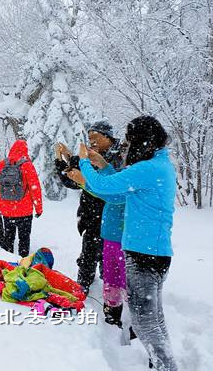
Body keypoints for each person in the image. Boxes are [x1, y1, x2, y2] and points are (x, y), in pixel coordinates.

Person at [66, 116, 178, 371]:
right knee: (154, 319)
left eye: (130, 142)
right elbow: (116, 192)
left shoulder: (148, 168)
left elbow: (102, 187)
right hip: (155, 253)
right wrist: (104, 165)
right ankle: (163, 363)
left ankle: (166, 366)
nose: (127, 147)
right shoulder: (160, 164)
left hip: (144, 255)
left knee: (144, 322)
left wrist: (84, 161)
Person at [54, 120, 120, 296]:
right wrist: (62, 159)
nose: (92, 142)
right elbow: (70, 179)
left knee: (108, 256)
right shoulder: (92, 156)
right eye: (89, 138)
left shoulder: (120, 157)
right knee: (89, 252)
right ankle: (83, 285)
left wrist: (83, 178)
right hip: (91, 215)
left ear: (108, 137)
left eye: (95, 137)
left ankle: (109, 289)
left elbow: (107, 186)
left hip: (112, 218)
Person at [0, 139, 43, 257]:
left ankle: (7, 263)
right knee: (24, 240)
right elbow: (34, 188)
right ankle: (23, 264)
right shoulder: (26, 165)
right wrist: (39, 208)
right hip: (24, 211)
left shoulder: (2, 164)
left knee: (8, 239)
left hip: (7, 211)